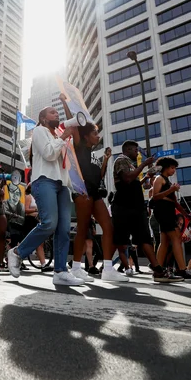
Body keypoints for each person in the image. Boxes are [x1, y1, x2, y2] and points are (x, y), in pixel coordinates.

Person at [6, 106, 84, 286]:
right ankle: (17, 252)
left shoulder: (58, 136)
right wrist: (64, 137)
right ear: (43, 118)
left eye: (58, 113)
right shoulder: (39, 131)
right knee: (49, 223)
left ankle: (60, 271)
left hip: (62, 185)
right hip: (45, 180)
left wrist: (73, 188)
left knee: (64, 229)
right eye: (52, 112)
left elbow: (65, 166)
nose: (56, 114)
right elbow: (49, 154)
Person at [111, 141, 182, 283]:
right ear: (128, 149)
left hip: (136, 206)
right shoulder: (121, 160)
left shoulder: (130, 163)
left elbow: (134, 182)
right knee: (121, 240)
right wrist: (144, 165)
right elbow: (127, 178)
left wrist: (146, 177)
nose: (137, 152)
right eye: (135, 150)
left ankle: (158, 270)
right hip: (124, 206)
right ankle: (107, 266)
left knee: (144, 238)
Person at [68, 114, 121, 283]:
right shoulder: (79, 147)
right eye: (95, 133)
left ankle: (107, 269)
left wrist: (105, 160)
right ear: (85, 136)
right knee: (82, 229)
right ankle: (76, 268)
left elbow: (100, 176)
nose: (98, 136)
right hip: (82, 192)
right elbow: (75, 125)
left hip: (95, 193)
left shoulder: (93, 154)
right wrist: (65, 101)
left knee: (108, 226)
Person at [152, 157, 191, 280]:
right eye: (172, 168)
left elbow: (174, 202)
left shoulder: (167, 181)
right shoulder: (159, 179)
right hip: (162, 210)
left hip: (168, 210)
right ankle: (182, 270)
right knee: (176, 238)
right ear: (165, 167)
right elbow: (155, 197)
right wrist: (171, 190)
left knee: (165, 241)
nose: (174, 170)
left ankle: (158, 270)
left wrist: (186, 214)